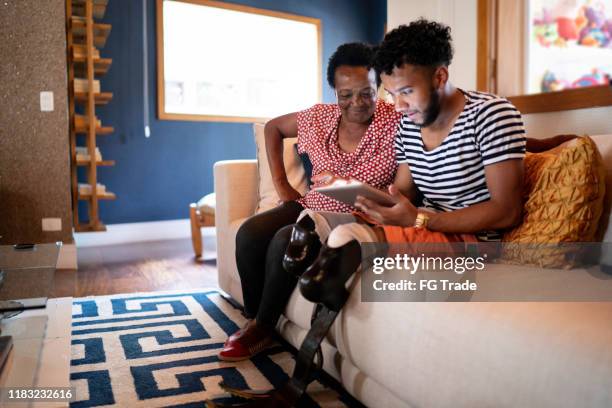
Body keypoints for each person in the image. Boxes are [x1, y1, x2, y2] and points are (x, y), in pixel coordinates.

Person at [298, 19, 534, 294]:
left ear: (440, 77)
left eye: (407, 91)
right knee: (312, 225)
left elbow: (507, 212)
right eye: (392, 94)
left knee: (345, 241)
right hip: (427, 222)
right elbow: (404, 194)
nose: (398, 106)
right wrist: (353, 189)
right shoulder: (409, 126)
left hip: (475, 239)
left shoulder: (491, 115)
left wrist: (421, 220)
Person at [219, 42, 402, 361]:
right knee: (249, 234)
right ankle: (256, 319)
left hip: (357, 217)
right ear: (334, 91)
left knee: (284, 240)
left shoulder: (397, 123)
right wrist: (282, 184)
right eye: (346, 95)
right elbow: (274, 128)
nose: (356, 103)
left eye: (366, 93)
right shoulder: (319, 117)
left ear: (379, 87)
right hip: (311, 204)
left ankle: (262, 328)